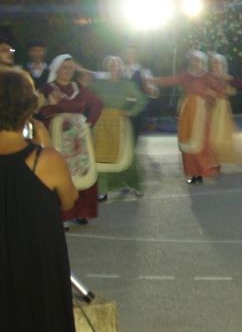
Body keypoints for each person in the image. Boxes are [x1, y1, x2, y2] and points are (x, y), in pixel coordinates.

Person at [0, 68, 78, 332]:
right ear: (27, 107)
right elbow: (68, 201)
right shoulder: (45, 160)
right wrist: (45, 146)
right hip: (37, 266)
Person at [38, 54, 104, 225]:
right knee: (62, 172)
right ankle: (64, 216)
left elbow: (97, 104)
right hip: (57, 136)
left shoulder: (79, 88)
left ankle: (82, 212)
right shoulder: (47, 89)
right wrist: (49, 104)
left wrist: (89, 123)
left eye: (71, 68)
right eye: (65, 68)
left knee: (82, 170)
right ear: (57, 68)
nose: (68, 71)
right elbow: (38, 110)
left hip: (79, 138)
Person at [148, 51, 225, 184]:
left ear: (202, 62)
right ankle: (193, 172)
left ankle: (201, 171)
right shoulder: (186, 76)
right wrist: (152, 80)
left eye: (197, 60)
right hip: (187, 111)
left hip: (201, 113)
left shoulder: (207, 76)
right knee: (186, 141)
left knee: (200, 142)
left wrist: (209, 93)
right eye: (193, 60)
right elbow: (169, 80)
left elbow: (221, 90)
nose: (194, 63)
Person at [91, 56, 148, 200]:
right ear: (106, 66)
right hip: (102, 123)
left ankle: (135, 185)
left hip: (121, 123)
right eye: (110, 63)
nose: (113, 66)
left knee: (127, 156)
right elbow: (85, 96)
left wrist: (129, 112)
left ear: (121, 67)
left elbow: (142, 100)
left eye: (116, 63)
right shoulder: (99, 84)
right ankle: (102, 190)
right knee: (101, 155)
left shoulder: (127, 84)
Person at [208, 52, 242, 166]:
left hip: (222, 107)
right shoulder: (208, 76)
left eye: (217, 62)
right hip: (210, 107)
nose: (215, 65)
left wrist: (224, 91)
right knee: (210, 134)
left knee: (220, 134)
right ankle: (212, 159)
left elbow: (233, 91)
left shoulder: (227, 77)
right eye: (213, 62)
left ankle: (217, 159)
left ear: (222, 64)